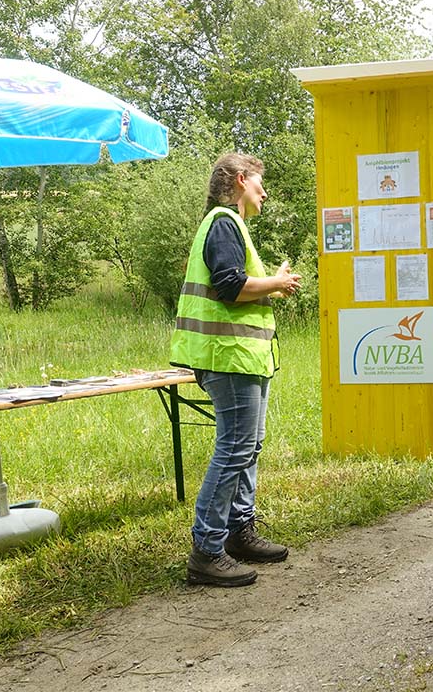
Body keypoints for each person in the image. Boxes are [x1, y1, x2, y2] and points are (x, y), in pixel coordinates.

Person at [170, 153, 302, 587]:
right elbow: (230, 286)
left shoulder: (230, 225)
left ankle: (237, 533)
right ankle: (207, 550)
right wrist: (278, 284)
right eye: (260, 183)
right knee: (233, 450)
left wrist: (272, 284)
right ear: (241, 180)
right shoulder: (224, 222)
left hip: (243, 358)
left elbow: (239, 286)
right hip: (228, 358)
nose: (264, 192)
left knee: (248, 448)